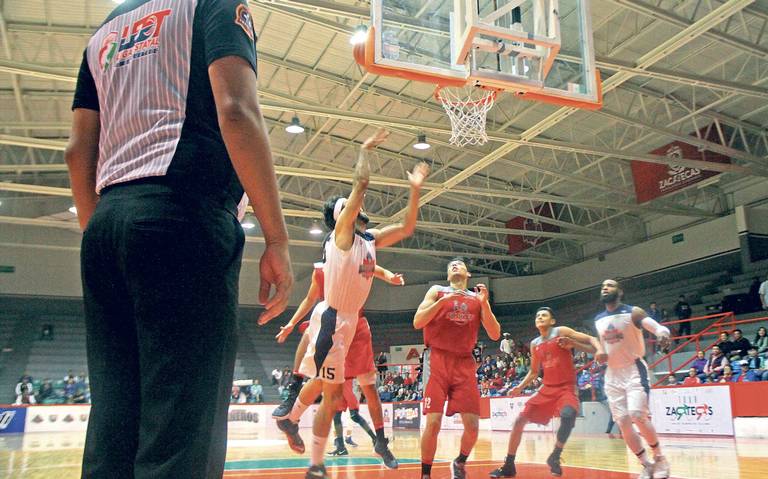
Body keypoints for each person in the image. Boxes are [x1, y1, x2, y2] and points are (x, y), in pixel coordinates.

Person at [66, 1, 294, 477]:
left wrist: (108, 233)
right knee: (180, 438)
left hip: (105, 222)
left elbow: (77, 151)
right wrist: (277, 238)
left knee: (113, 425)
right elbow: (236, 110)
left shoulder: (104, 32)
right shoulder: (214, 3)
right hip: (182, 218)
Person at [281, 128, 427, 479]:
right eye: (346, 206)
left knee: (325, 387)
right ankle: (315, 465)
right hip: (333, 319)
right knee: (331, 398)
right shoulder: (341, 234)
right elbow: (360, 185)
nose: (356, 207)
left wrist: (415, 190)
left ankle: (291, 418)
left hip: (346, 322)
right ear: (339, 216)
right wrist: (363, 148)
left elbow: (407, 227)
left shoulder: (370, 239)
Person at [273, 259, 403, 469]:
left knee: (369, 388)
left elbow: (376, 269)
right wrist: (291, 323)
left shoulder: (358, 263)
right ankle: (292, 418)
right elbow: (309, 299)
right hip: (334, 328)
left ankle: (380, 441)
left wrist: (390, 277)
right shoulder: (321, 271)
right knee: (319, 382)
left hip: (357, 328)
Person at [413, 258, 501, 479]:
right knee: (433, 423)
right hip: (437, 361)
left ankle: (460, 462)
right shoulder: (437, 291)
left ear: (468, 274)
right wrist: (443, 303)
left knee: (472, 426)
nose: (454, 266)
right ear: (447, 275)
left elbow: (494, 334)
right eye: (450, 265)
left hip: (464, 363)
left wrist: (485, 304)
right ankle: (425, 474)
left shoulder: (477, 298)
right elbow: (417, 321)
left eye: (459, 264)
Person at [490, 307, 602, 478]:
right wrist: (519, 387)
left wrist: (598, 349)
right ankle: (509, 465)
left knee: (568, 415)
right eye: (538, 315)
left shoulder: (561, 331)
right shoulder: (534, 344)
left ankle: (555, 456)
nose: (540, 317)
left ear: (552, 321)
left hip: (566, 387)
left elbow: (592, 340)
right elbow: (534, 372)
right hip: (547, 388)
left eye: (544, 315)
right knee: (519, 421)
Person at [594, 279, 671, 479]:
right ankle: (646, 464)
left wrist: (663, 334)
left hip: (634, 369)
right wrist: (597, 351)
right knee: (623, 423)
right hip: (612, 374)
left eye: (609, 285)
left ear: (620, 291)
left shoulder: (633, 312)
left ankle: (659, 457)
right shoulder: (598, 319)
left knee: (638, 414)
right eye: (603, 286)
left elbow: (657, 327)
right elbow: (603, 346)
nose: (605, 288)